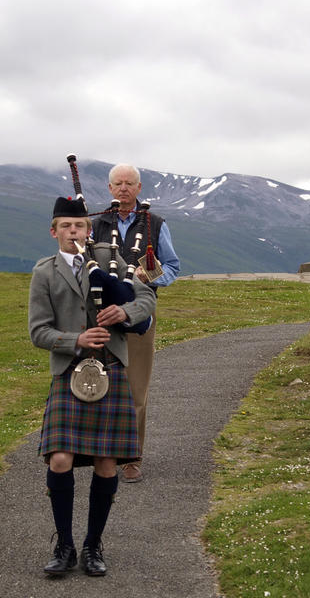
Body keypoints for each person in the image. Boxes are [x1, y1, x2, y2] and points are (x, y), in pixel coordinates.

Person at [28, 196, 156, 576]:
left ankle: (92, 545)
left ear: (88, 229)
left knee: (105, 462)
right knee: (60, 458)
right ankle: (64, 545)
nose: (73, 232)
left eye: (79, 226)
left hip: (111, 366)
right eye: (65, 227)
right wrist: (75, 340)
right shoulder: (45, 272)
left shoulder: (111, 261)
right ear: (54, 232)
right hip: (71, 371)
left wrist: (126, 311)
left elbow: (146, 295)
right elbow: (38, 331)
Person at [91, 164, 180, 482]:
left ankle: (132, 458)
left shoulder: (155, 223)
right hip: (100, 315)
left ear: (139, 188)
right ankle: (103, 454)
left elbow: (171, 266)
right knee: (100, 383)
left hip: (141, 314)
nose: (124, 188)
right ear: (110, 188)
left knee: (135, 388)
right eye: (118, 183)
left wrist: (147, 274)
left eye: (130, 183)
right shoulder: (97, 223)